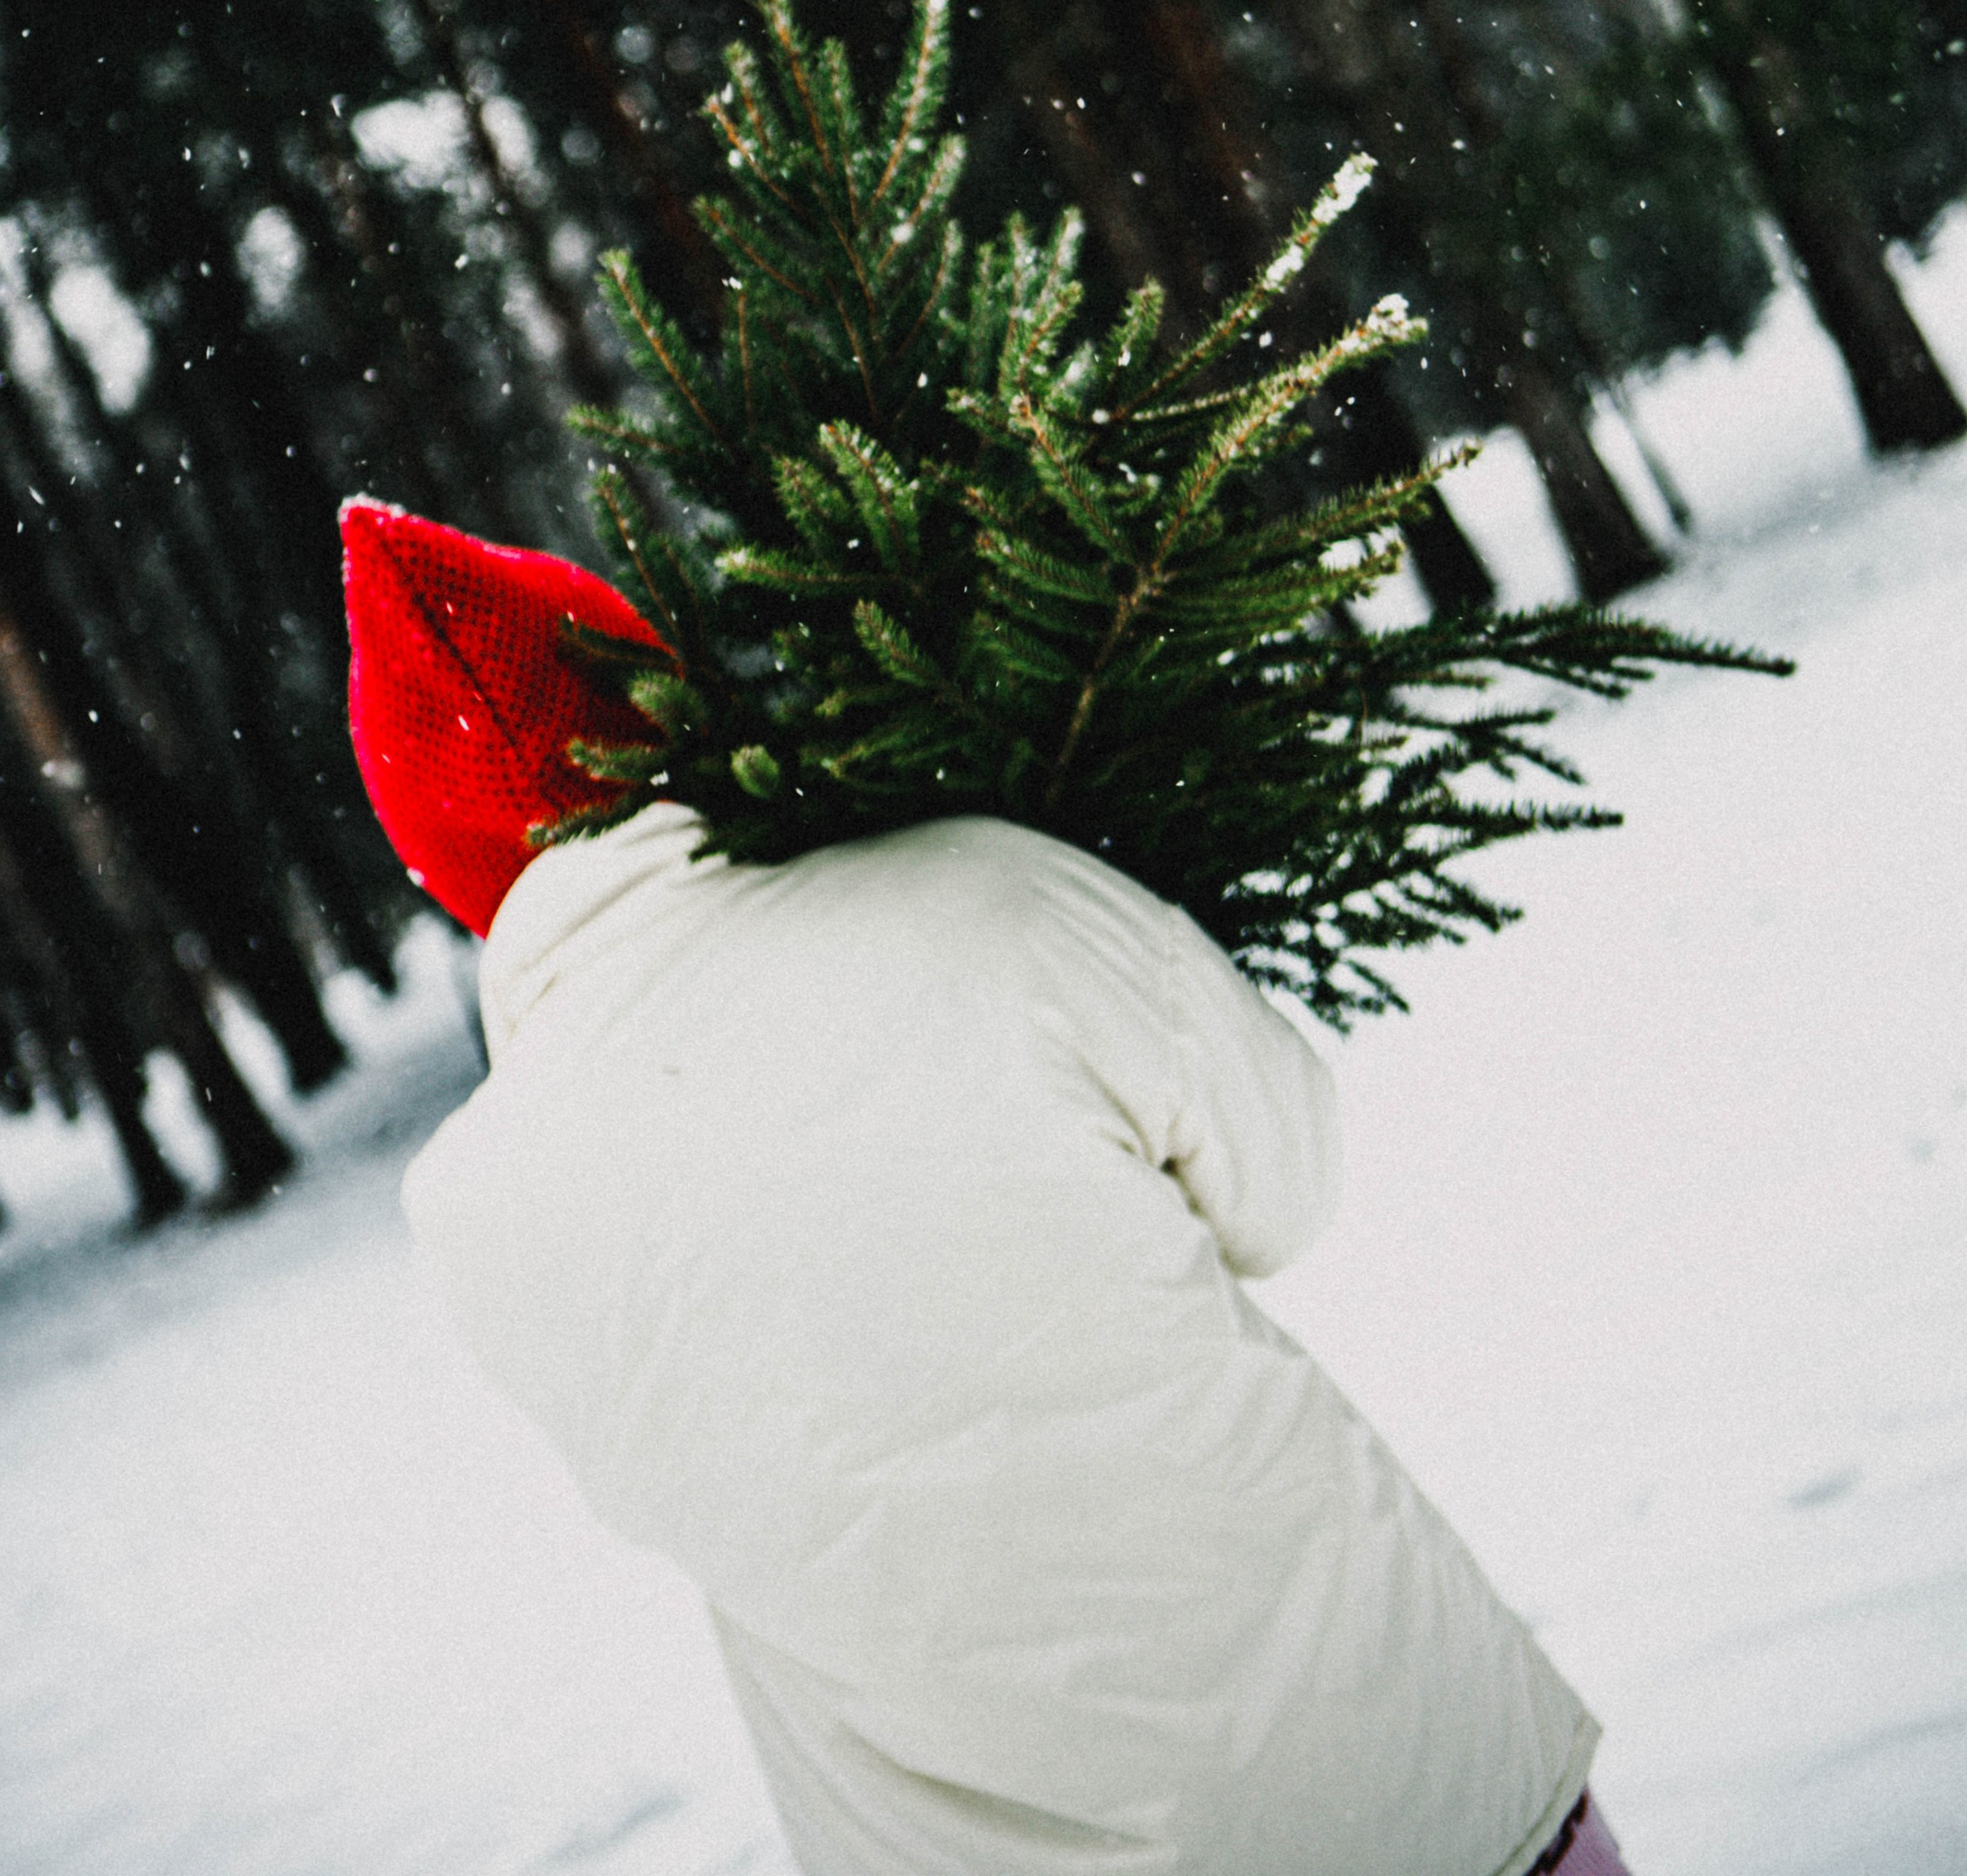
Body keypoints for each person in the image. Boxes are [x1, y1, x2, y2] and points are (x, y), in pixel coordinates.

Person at [353, 502, 1632, 1874]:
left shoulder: (476, 1214)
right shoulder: (980, 889)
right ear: (670, 706)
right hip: (1408, 1782)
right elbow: (1286, 1182)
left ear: (444, 853)